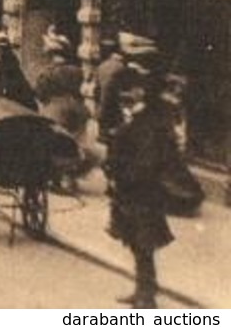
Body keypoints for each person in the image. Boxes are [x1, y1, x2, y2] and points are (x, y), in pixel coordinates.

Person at [105, 69, 187, 308]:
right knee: (135, 241)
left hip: (142, 192)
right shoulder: (136, 118)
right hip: (130, 192)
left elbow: (148, 160)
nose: (126, 101)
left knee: (143, 242)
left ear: (142, 94)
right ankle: (142, 288)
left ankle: (147, 295)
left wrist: (124, 176)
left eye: (130, 96)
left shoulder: (151, 121)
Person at [36, 28, 91, 188]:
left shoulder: (47, 73)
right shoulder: (77, 71)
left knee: (55, 143)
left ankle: (55, 177)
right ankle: (70, 177)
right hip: (78, 110)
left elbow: (40, 93)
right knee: (76, 143)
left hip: (55, 110)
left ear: (52, 54)